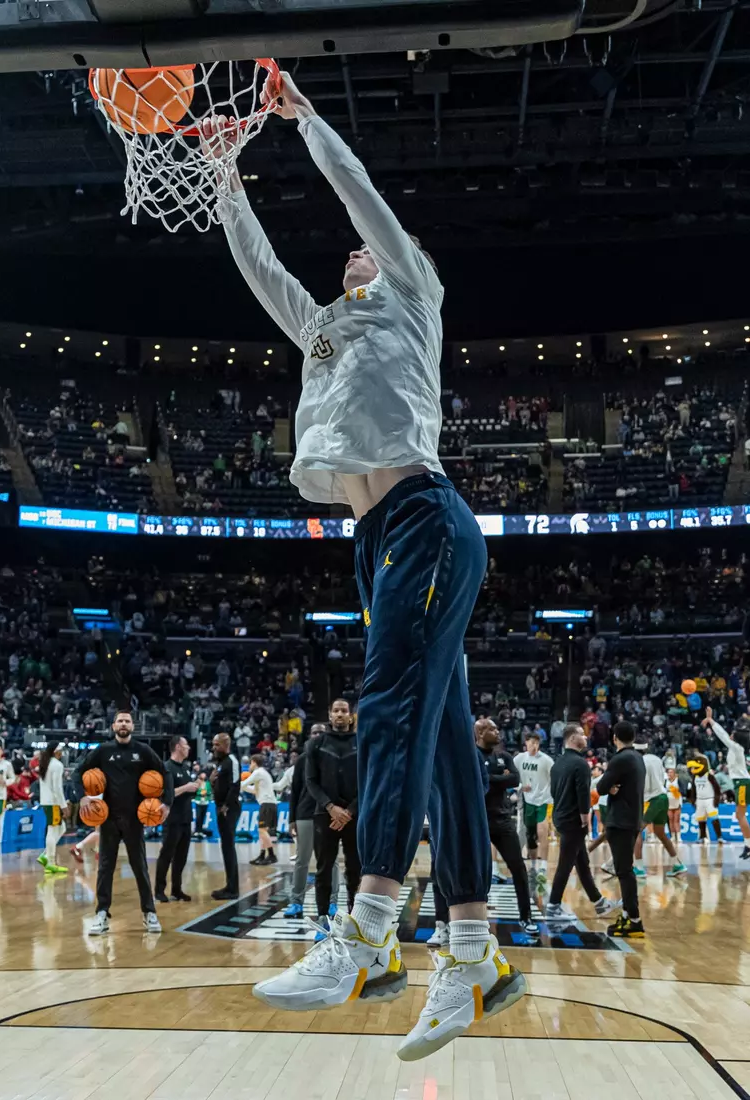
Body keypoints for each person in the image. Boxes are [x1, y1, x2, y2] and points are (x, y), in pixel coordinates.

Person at [206, 70, 523, 1058]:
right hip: (375, 540)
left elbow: (363, 202)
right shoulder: (327, 332)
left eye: (367, 251)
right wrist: (226, 179)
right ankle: (472, 951)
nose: (352, 252)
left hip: (427, 518)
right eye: (347, 255)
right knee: (444, 749)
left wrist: (305, 125)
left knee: (388, 709)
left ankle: (367, 928)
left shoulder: (413, 294)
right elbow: (263, 273)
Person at [76, 711, 172, 935]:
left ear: (132, 726)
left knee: (140, 867)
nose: (123, 724)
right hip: (108, 818)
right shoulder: (103, 750)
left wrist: (166, 803)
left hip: (134, 818)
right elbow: (79, 772)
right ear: (113, 726)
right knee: (105, 868)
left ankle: (149, 913)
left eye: (127, 721)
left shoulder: (143, 751)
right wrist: (82, 795)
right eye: (120, 721)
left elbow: (165, 773)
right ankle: (101, 914)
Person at [546, 724, 619, 923]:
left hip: (560, 817)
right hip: (573, 820)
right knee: (566, 864)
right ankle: (552, 907)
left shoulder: (557, 763)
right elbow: (582, 794)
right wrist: (585, 819)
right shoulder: (580, 764)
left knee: (582, 862)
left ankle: (599, 903)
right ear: (571, 739)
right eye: (581, 734)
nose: (585, 736)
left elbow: (554, 792)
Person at [472, 719, 538, 934]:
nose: (498, 731)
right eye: (492, 728)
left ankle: (526, 917)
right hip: (477, 822)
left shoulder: (505, 756)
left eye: (497, 727)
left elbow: (515, 780)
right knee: (474, 872)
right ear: (480, 732)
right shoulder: (471, 755)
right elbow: (477, 781)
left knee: (519, 869)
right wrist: (501, 778)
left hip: (502, 820)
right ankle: (474, 919)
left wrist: (490, 779)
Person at [304, 699, 361, 925]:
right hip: (324, 814)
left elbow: (368, 780)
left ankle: (355, 916)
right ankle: (323, 915)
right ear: (330, 716)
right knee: (323, 868)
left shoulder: (362, 742)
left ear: (350, 716)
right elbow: (311, 781)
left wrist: (349, 811)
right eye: (335, 710)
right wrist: (331, 807)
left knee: (355, 868)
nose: (339, 714)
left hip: (353, 816)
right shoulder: (316, 744)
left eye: (343, 711)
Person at [595, 721, 647, 938]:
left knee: (624, 872)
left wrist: (611, 787)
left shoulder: (620, 758)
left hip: (621, 821)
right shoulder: (638, 758)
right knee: (625, 870)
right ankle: (627, 915)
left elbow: (600, 787)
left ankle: (634, 920)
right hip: (633, 819)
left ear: (614, 737)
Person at [284, 722, 340, 919]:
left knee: (330, 861)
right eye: (314, 732)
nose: (317, 735)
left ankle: (333, 902)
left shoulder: (335, 758)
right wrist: (292, 819)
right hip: (305, 814)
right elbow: (295, 791)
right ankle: (295, 902)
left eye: (321, 732)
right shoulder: (301, 760)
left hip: (327, 814)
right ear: (309, 735)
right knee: (302, 860)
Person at [155, 735, 199, 903]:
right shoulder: (166, 768)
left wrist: (195, 787)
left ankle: (176, 889)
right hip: (171, 819)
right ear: (178, 747)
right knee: (166, 855)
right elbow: (165, 794)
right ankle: (159, 890)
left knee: (181, 857)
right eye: (186, 745)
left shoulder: (186, 768)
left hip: (186, 819)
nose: (188, 748)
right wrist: (186, 787)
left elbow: (188, 792)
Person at [633, 741, 686, 878]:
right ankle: (677, 864)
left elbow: (641, 783)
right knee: (660, 833)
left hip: (652, 799)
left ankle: (638, 867)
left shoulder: (638, 762)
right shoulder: (656, 759)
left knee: (636, 830)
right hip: (663, 797)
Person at [703, 707, 750, 860]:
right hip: (741, 783)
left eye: (733, 734)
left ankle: (749, 845)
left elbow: (722, 736)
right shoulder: (736, 749)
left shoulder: (736, 748)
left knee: (740, 815)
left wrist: (711, 721)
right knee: (739, 815)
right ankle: (748, 844)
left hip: (742, 783)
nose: (730, 735)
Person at [513, 732, 554, 881]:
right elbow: (511, 775)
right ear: (526, 744)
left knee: (542, 831)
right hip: (527, 800)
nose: (534, 746)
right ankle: (534, 865)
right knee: (530, 835)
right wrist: (518, 787)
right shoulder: (519, 759)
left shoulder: (546, 760)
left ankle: (543, 866)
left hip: (544, 800)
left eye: (536, 743)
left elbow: (554, 779)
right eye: (531, 743)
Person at [211, 732, 241, 900]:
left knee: (229, 847)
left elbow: (235, 785)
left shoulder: (232, 761)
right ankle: (229, 886)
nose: (214, 748)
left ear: (226, 745)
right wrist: (211, 780)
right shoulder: (221, 763)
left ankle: (233, 889)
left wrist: (226, 806)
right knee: (226, 847)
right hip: (221, 808)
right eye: (214, 744)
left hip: (229, 809)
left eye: (217, 745)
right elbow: (219, 784)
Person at [36, 741, 68, 875]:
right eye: (61, 751)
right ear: (56, 751)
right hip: (53, 802)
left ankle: (45, 855)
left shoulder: (44, 763)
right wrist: (64, 805)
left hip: (45, 801)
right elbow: (57, 788)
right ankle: (50, 862)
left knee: (62, 828)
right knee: (52, 829)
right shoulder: (57, 765)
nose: (62, 753)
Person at [241, 754, 278, 865]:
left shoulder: (258, 772)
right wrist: (243, 786)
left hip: (267, 804)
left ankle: (271, 855)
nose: (249, 765)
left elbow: (246, 783)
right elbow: (254, 790)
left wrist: (235, 784)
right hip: (270, 804)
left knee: (261, 830)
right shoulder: (263, 773)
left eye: (250, 763)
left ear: (254, 762)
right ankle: (262, 855)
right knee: (263, 832)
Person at [666, 767, 683, 844]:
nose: (669, 774)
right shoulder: (665, 781)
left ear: (675, 773)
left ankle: (679, 837)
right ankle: (672, 836)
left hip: (677, 802)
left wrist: (676, 791)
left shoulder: (678, 780)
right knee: (670, 820)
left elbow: (683, 790)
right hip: (669, 802)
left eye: (671, 772)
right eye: (668, 772)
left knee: (676, 820)